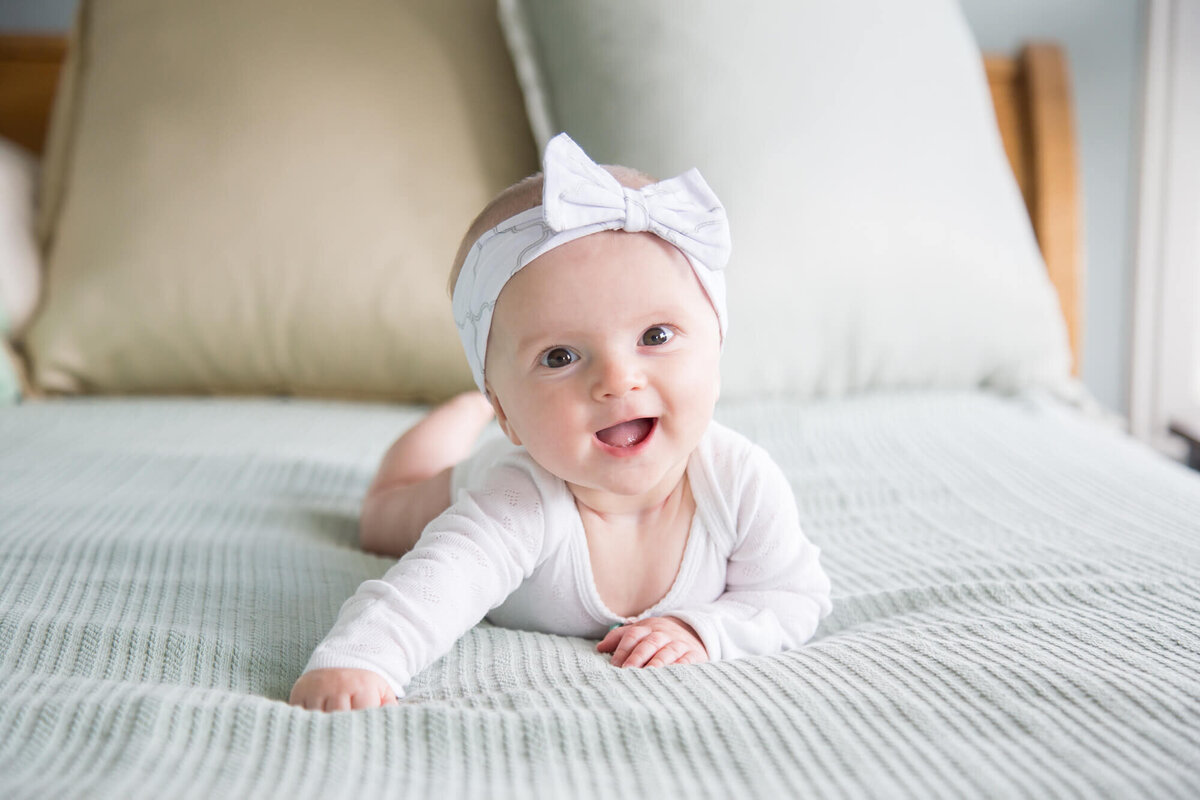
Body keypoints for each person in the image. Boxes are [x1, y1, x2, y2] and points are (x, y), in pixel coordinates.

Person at [289, 133, 832, 711]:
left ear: (717, 348)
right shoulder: (517, 501)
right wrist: (361, 661)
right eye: (560, 357)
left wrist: (705, 630)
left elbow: (792, 595)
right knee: (382, 521)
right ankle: (459, 414)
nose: (618, 381)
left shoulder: (740, 482)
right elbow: (432, 590)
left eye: (655, 336)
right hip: (475, 479)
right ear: (509, 412)